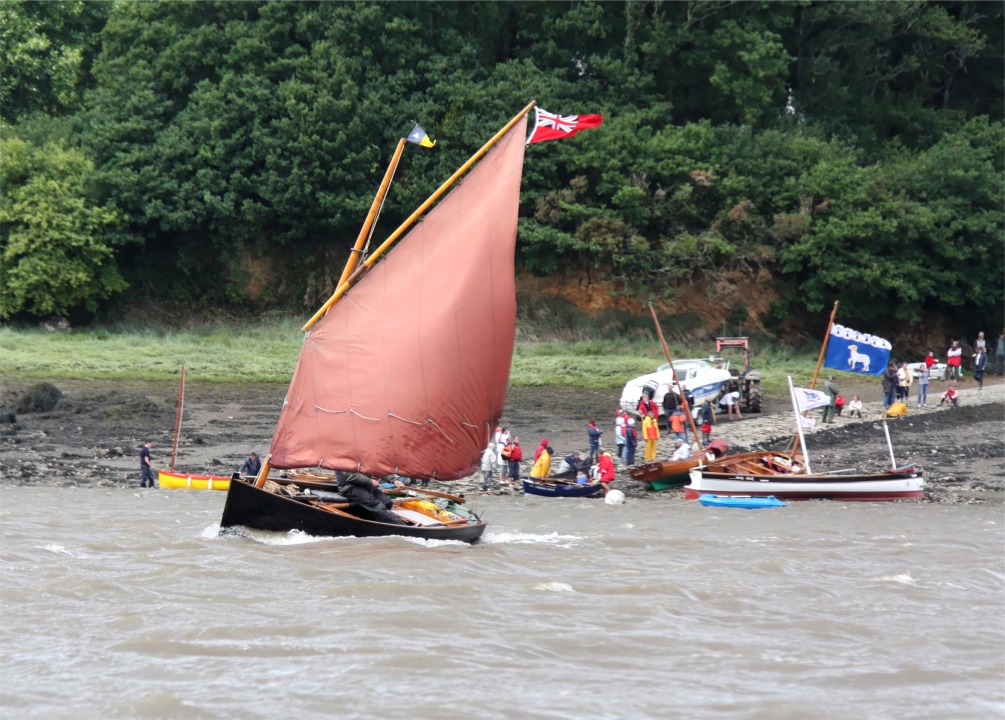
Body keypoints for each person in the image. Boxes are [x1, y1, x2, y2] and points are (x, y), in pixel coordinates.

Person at [338, 472, 405, 524]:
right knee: (378, 505)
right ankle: (399, 526)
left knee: (388, 502)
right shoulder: (344, 457)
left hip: (366, 486)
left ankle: (376, 520)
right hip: (349, 488)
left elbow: (377, 469)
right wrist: (370, 481)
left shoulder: (364, 455)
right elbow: (350, 475)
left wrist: (394, 480)